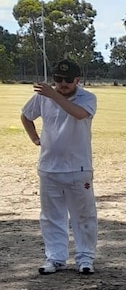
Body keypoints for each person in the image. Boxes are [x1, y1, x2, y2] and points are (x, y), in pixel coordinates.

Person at [20, 59, 98, 275]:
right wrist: (35, 138)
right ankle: (55, 258)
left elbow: (79, 114)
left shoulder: (87, 98)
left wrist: (52, 94)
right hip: (49, 167)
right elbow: (26, 116)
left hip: (78, 167)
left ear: (77, 80)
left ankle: (85, 258)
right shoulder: (42, 97)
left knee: (84, 216)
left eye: (67, 80)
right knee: (51, 216)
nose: (62, 84)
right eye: (57, 80)